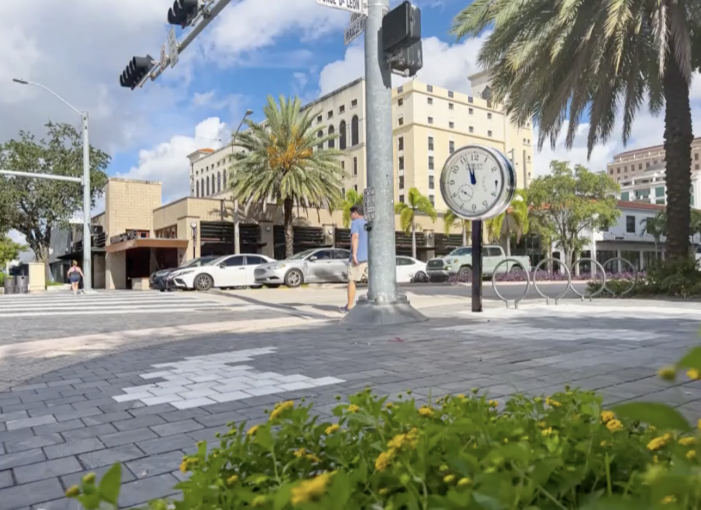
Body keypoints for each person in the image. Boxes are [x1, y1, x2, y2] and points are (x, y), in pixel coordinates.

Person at [341, 205, 368, 313]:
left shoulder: (355, 223)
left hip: (359, 258)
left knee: (352, 280)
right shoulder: (368, 223)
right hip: (369, 258)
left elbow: (355, 237)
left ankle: (350, 306)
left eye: (351, 213)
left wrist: (354, 255)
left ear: (356, 213)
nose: (350, 216)